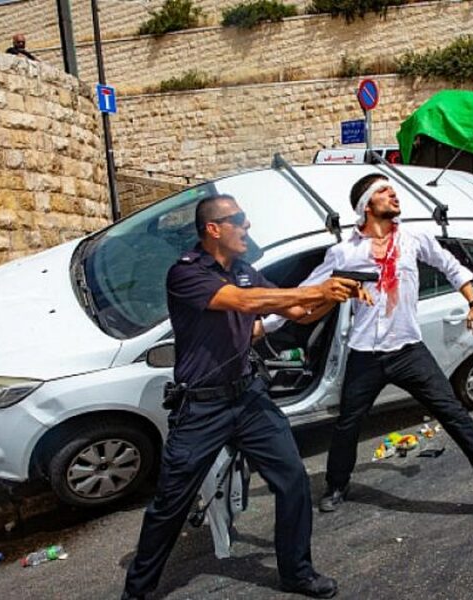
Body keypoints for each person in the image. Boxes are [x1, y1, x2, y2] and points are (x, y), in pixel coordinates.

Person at [121, 194, 367, 600]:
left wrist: (333, 296)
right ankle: (139, 592)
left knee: (292, 480)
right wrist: (312, 289)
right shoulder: (186, 274)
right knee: (170, 503)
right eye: (239, 220)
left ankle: (297, 573)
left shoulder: (244, 270)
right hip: (202, 406)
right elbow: (243, 302)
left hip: (249, 398)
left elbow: (300, 315)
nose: (247, 226)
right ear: (214, 229)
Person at [262, 174, 473, 527]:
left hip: (408, 350)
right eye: (385, 192)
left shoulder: (414, 238)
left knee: (457, 418)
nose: (393, 196)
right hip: (365, 353)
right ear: (367, 206)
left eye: (393, 190)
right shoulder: (345, 252)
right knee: (347, 425)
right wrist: (262, 325)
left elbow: (450, 266)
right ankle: (337, 485)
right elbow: (306, 293)